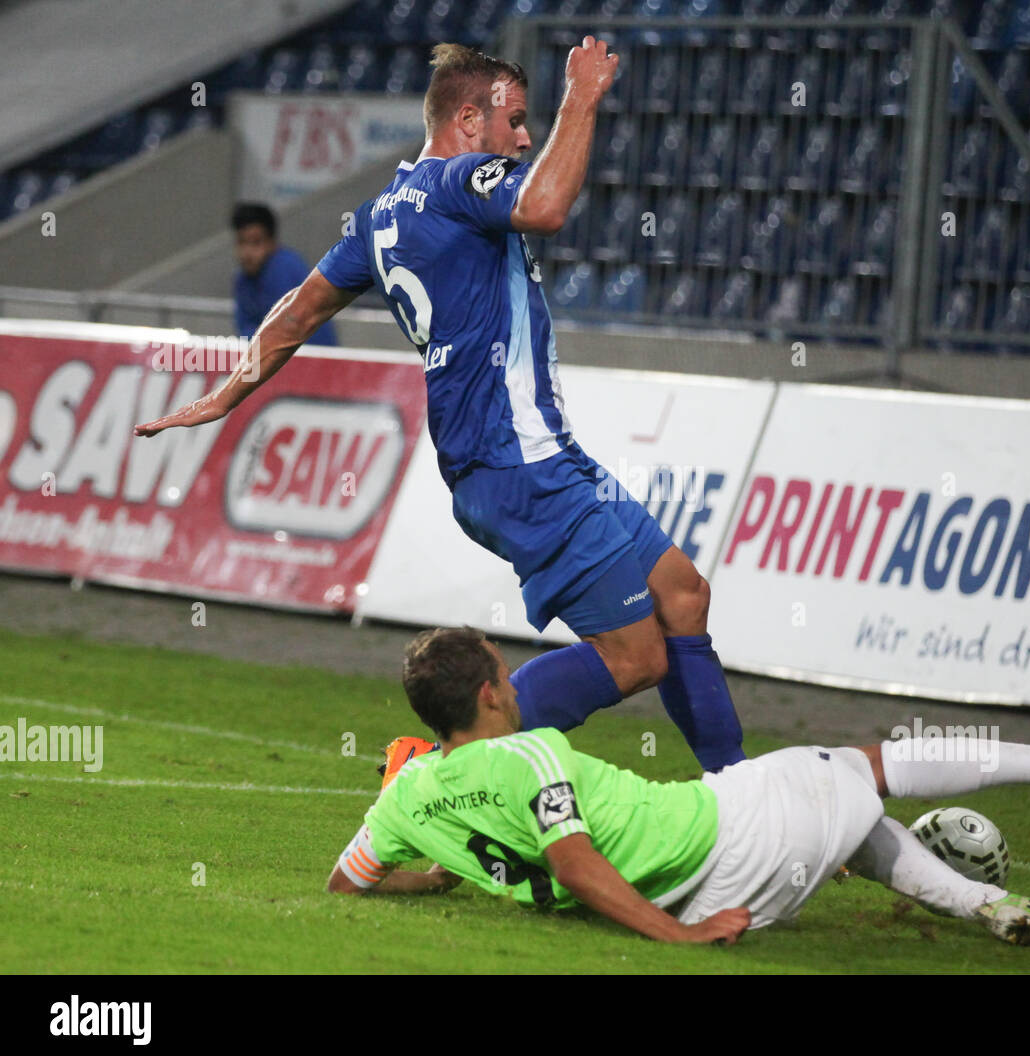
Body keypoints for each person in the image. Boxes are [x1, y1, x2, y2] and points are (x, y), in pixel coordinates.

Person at [134, 38, 746, 773]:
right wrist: (583, 95)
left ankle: (737, 792)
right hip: (516, 460)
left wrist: (221, 394)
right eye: (514, 119)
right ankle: (435, 763)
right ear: (466, 118)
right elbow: (548, 207)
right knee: (637, 656)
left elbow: (296, 313)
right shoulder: (461, 181)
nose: (523, 137)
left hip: (525, 454)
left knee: (682, 595)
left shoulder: (377, 217)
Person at [326, 626, 1030, 947]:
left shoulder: (401, 799)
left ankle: (989, 908)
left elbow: (346, 881)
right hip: (721, 834)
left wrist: (435, 874)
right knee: (869, 763)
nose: (513, 687)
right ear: (489, 695)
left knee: (845, 809)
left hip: (710, 890)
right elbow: (575, 860)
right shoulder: (532, 751)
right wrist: (675, 938)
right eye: (506, 677)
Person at [230, 203, 337, 345]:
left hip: (313, 358)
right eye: (242, 242)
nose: (247, 252)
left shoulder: (286, 268)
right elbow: (245, 329)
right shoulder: (242, 280)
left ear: (271, 243)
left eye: (256, 242)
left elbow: (285, 332)